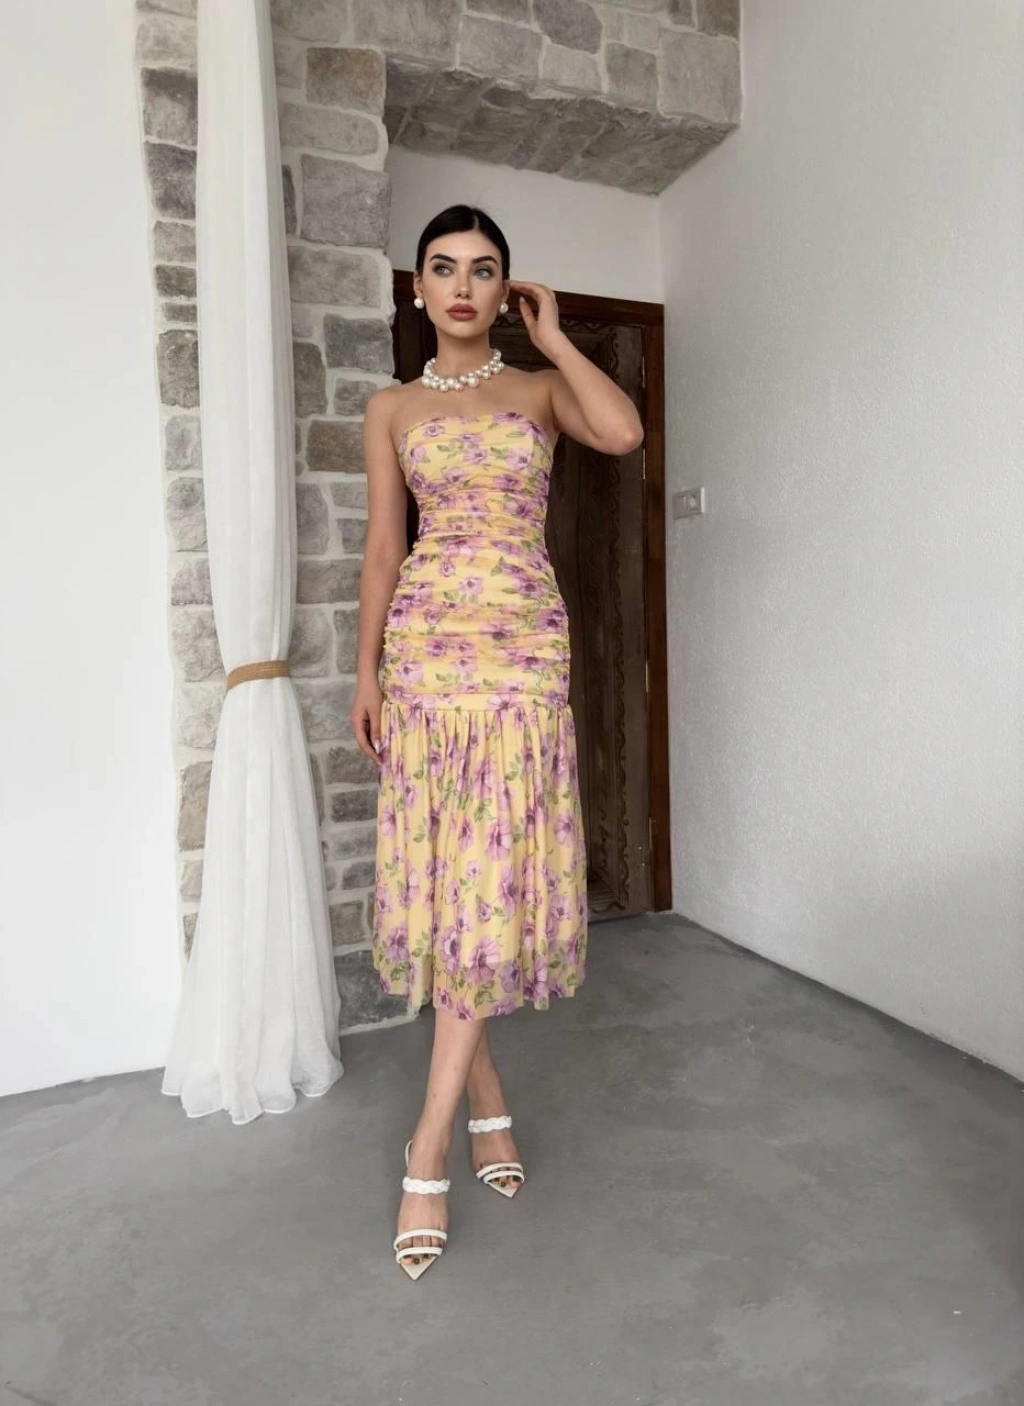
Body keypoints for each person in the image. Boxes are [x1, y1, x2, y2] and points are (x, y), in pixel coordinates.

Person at [350, 204, 644, 1280]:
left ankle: (427, 1145)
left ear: (506, 289)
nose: (463, 287)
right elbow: (384, 548)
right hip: (427, 653)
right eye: (444, 268)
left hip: (520, 652)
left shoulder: (537, 390)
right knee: (448, 875)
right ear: (418, 288)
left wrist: (556, 338)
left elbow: (622, 434)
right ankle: (484, 1108)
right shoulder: (391, 406)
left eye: (484, 270)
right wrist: (365, 670)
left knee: (487, 871)